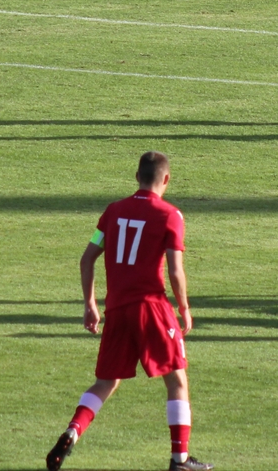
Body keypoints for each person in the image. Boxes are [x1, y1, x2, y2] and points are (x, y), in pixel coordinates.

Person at [46, 152, 212, 471]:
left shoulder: (113, 212)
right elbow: (175, 271)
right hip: (152, 308)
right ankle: (180, 460)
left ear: (136, 176)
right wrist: (185, 308)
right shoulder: (170, 215)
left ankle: (73, 430)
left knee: (105, 381)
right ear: (166, 180)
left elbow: (87, 258)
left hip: (117, 310)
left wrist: (90, 305)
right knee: (177, 380)